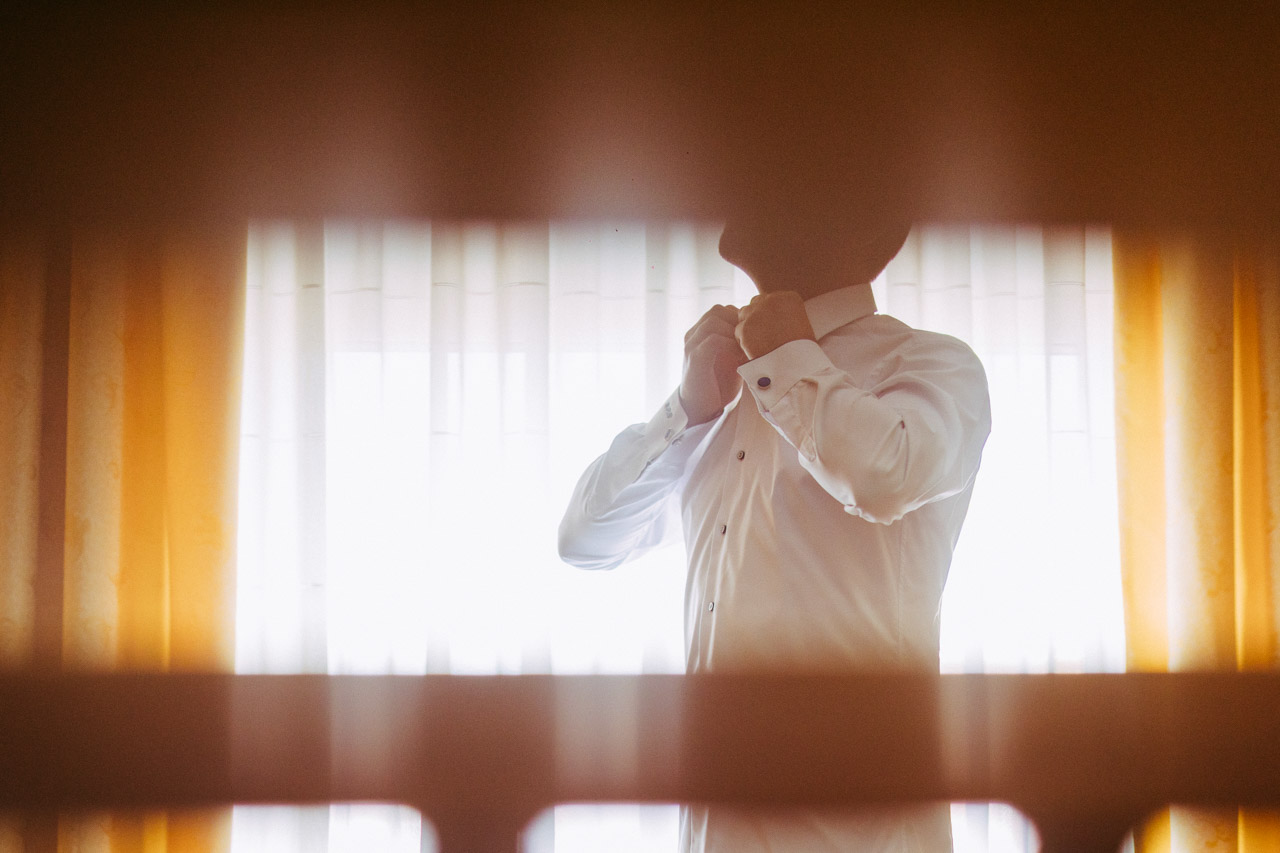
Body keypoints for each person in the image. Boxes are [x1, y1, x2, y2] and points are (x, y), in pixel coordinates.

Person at [557, 211, 991, 852]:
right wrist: (686, 409)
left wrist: (788, 359)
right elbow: (585, 540)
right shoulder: (722, 392)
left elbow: (885, 477)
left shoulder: (934, 363)